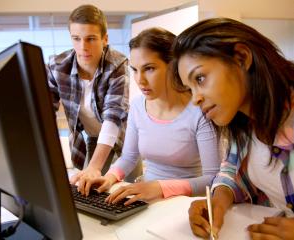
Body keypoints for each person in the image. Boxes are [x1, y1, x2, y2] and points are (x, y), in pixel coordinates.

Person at [172, 18, 294, 239]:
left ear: (242, 58)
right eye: (189, 88)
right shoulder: (243, 127)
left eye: (200, 78)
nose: (195, 99)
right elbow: (230, 174)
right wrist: (217, 202)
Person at [71, 27, 220, 204]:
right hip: (146, 198)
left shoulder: (200, 111)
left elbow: (213, 179)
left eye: (149, 68)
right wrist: (109, 177)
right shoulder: (137, 106)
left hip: (185, 204)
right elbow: (128, 158)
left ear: (173, 65)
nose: (140, 80)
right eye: (134, 70)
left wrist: (160, 187)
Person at [46, 4, 141, 180]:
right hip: (93, 137)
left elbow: (113, 118)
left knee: (129, 190)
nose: (83, 47)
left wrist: (94, 167)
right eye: (76, 38)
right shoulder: (57, 67)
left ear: (105, 39)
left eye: (90, 39)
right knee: (88, 187)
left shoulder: (117, 64)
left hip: (125, 140)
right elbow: (44, 114)